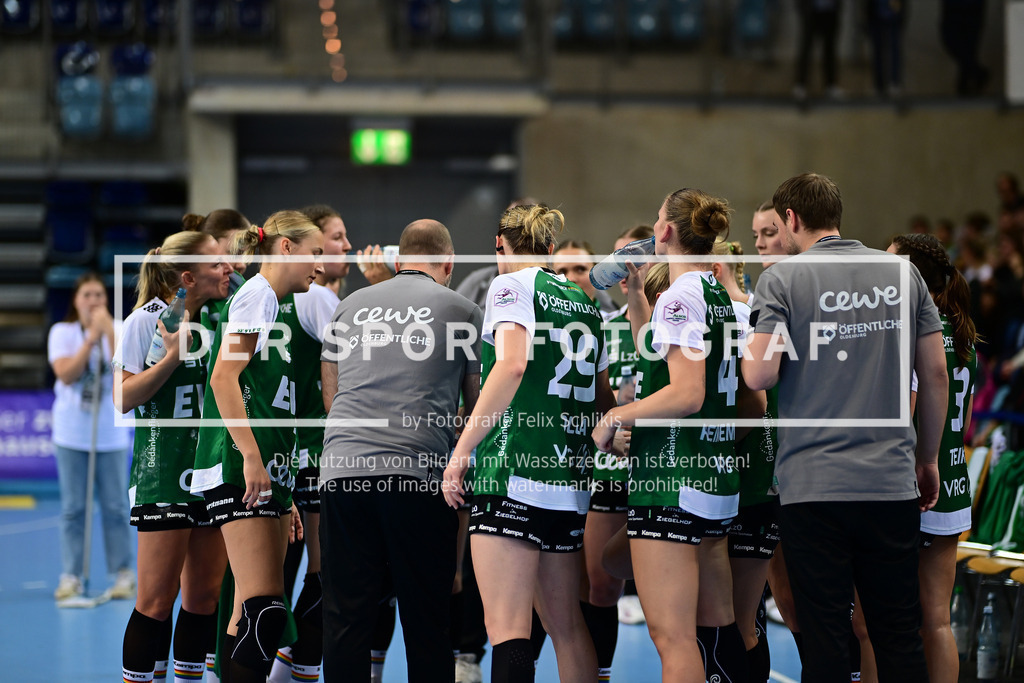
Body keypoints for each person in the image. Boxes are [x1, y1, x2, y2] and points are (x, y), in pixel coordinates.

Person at [742, 172, 948, 682]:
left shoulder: (782, 280)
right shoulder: (903, 274)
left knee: (827, 633)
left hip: (814, 489)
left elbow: (761, 373)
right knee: (898, 633)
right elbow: (936, 373)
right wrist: (927, 458)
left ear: (790, 219)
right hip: (890, 482)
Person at [592, 188, 761, 683]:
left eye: (657, 218)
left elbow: (686, 394)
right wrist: (641, 299)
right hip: (712, 478)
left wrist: (617, 418)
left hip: (671, 479)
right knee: (715, 628)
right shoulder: (723, 299)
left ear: (665, 231)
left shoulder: (683, 297)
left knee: (673, 638)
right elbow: (745, 403)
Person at [444, 204, 614, 683]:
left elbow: (512, 365)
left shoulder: (511, 284)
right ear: (551, 249)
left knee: (507, 629)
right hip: (570, 479)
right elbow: (601, 397)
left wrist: (461, 454)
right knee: (565, 625)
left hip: (513, 470)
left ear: (501, 246)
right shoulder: (583, 302)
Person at [319, 219, 482, 682]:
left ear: (398, 261)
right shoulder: (462, 309)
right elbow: (475, 405)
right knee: (426, 620)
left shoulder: (347, 306)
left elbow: (333, 399)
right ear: (447, 263)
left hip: (343, 472)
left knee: (346, 617)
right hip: (416, 477)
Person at [190, 211, 324, 682]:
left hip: (267, 466)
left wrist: (280, 486)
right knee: (265, 614)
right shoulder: (258, 295)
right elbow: (222, 377)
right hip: (235, 463)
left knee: (250, 616)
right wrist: (250, 456)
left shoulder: (270, 300)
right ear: (285, 248)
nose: (320, 266)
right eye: (315, 253)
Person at [114, 230, 233, 683]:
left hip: (212, 472)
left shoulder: (224, 317)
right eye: (217, 263)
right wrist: (169, 359)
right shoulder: (146, 321)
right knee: (156, 601)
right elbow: (123, 398)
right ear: (188, 276)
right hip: (163, 473)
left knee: (203, 599)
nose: (228, 268)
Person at [265, 203, 354, 683]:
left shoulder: (279, 296)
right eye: (332, 240)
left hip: (288, 452)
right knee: (324, 574)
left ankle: (279, 665)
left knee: (278, 577)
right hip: (316, 453)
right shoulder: (317, 299)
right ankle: (293, 669)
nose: (344, 248)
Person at [888, 233, 978, 683]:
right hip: (954, 483)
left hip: (915, 483)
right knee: (938, 620)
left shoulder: (919, 334)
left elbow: (901, 415)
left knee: (879, 625)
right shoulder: (962, 333)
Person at [711, 238, 780, 683]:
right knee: (740, 619)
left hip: (748, 480)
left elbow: (755, 406)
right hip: (743, 482)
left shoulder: (745, 314)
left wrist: (712, 443)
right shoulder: (739, 311)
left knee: (739, 621)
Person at [48, 272, 134, 602]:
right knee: (73, 508)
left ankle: (123, 574)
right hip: (71, 434)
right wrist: (89, 339)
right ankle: (72, 575)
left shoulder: (121, 328)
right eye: (87, 295)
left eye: (99, 295)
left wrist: (107, 332)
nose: (94, 301)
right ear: (76, 300)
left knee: (114, 506)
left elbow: (125, 367)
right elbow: (66, 374)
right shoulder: (62, 332)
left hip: (109, 436)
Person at [794, 0, 844, 100]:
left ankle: (830, 85)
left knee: (829, 49)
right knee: (807, 48)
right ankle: (801, 84)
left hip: (830, 11)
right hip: (812, 11)